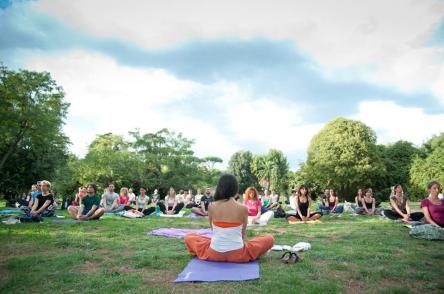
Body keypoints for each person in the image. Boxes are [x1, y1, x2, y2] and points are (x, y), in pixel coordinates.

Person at [184, 174, 274, 262]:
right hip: (238, 254)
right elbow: (242, 235)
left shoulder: (211, 207)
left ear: (219, 188)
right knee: (269, 238)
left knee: (189, 237)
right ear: (235, 189)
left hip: (214, 253)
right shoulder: (243, 208)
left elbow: (214, 231)